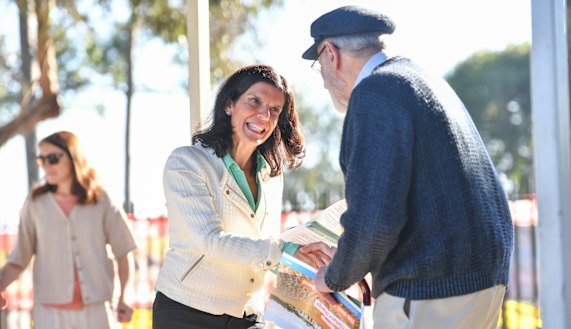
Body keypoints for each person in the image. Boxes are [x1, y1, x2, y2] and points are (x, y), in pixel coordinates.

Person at [300, 6, 514, 329]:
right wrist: (349, 259)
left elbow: (375, 221)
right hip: (480, 283)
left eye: (318, 65)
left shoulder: (374, 92)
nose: (324, 82)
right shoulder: (421, 80)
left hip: (431, 290)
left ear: (331, 54)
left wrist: (331, 277)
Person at [152, 64, 333, 329]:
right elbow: (209, 241)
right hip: (185, 313)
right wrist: (284, 251)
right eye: (254, 101)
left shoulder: (271, 177)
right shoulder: (187, 163)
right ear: (229, 105)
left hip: (246, 316)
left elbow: (264, 249)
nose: (264, 115)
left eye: (274, 110)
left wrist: (307, 263)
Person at [0, 131, 137, 328]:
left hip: (98, 311)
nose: (47, 165)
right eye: (41, 160)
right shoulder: (34, 203)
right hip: (49, 314)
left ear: (74, 157)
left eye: (53, 158)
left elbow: (124, 252)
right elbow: (18, 260)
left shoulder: (101, 200)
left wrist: (125, 297)